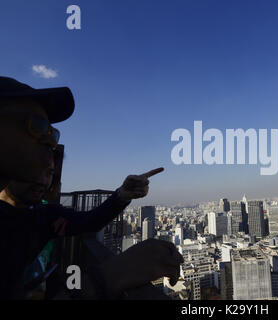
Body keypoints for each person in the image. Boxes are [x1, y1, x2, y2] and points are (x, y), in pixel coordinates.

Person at [0, 77, 184, 299]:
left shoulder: (39, 217)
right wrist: (112, 275)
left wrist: (122, 195)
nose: (51, 142)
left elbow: (89, 221)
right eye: (37, 126)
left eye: (52, 133)